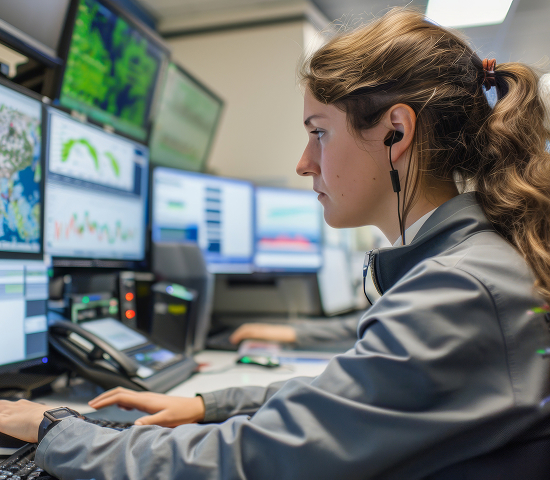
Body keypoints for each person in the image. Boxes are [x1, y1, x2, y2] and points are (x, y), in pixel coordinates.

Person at [2, 7, 550, 479]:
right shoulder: (469, 267)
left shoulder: (460, 289)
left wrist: (57, 431)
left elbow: (253, 461)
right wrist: (205, 403)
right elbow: (352, 395)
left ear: (396, 133)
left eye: (318, 132)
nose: (303, 162)